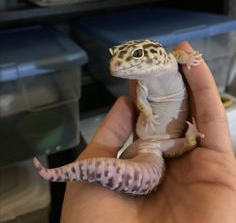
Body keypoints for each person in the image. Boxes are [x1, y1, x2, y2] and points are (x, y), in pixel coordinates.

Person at [60, 42, 236, 223]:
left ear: (157, 53)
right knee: (140, 155)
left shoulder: (169, 62)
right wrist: (148, 114)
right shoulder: (142, 83)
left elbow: (179, 56)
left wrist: (188, 58)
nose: (115, 64)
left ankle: (185, 142)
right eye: (114, 55)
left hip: (160, 142)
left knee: (186, 143)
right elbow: (142, 102)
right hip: (149, 138)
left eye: (136, 55)